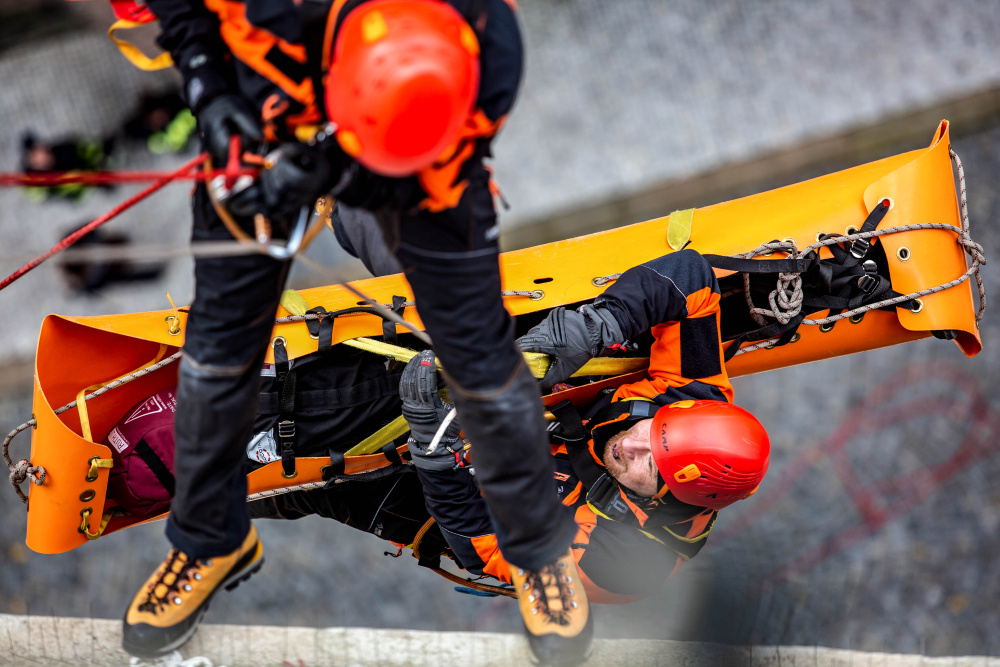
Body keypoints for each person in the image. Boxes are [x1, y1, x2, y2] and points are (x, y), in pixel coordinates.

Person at [123, 2, 589, 664]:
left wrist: (329, 172)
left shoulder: (485, 49)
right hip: (261, 113)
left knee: (483, 363)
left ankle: (539, 549)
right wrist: (210, 89)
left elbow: (422, 161)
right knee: (219, 352)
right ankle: (208, 535)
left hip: (420, 160)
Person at [113, 247, 769, 662]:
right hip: (530, 422)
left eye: (642, 464)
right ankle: (258, 406)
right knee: (393, 369)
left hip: (445, 502)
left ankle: (233, 466)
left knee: (318, 476)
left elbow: (482, 544)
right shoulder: (691, 407)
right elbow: (689, 279)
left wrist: (433, 447)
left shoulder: (627, 560)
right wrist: (601, 323)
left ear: (668, 497)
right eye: (645, 431)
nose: (628, 442)